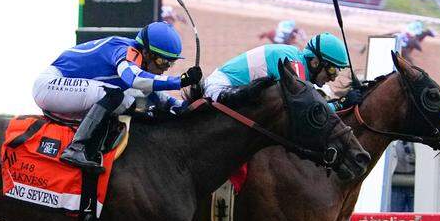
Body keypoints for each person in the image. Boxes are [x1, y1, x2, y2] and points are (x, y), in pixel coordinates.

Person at [31, 21, 200, 170]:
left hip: (67, 89)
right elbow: (134, 79)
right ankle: (76, 149)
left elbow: (157, 95)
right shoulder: (124, 50)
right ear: (147, 53)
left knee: (132, 102)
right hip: (49, 85)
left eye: (171, 63)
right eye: (163, 62)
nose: (166, 68)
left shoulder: (139, 59)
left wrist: (186, 107)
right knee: (115, 95)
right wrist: (180, 81)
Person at [202, 32, 350, 101]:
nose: (333, 78)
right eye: (332, 70)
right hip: (219, 89)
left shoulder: (297, 60)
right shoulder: (293, 63)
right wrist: (340, 105)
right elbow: (305, 105)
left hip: (233, 89)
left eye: (337, 72)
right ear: (315, 62)